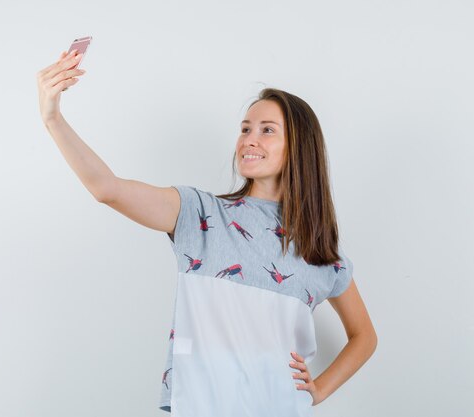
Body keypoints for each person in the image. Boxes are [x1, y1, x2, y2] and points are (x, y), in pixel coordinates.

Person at [36, 50, 378, 416]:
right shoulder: (199, 215)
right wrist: (53, 118)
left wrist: (318, 389)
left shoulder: (321, 254)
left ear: (299, 146)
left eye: (267, 130)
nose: (249, 138)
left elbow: (365, 337)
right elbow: (107, 188)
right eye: (245, 128)